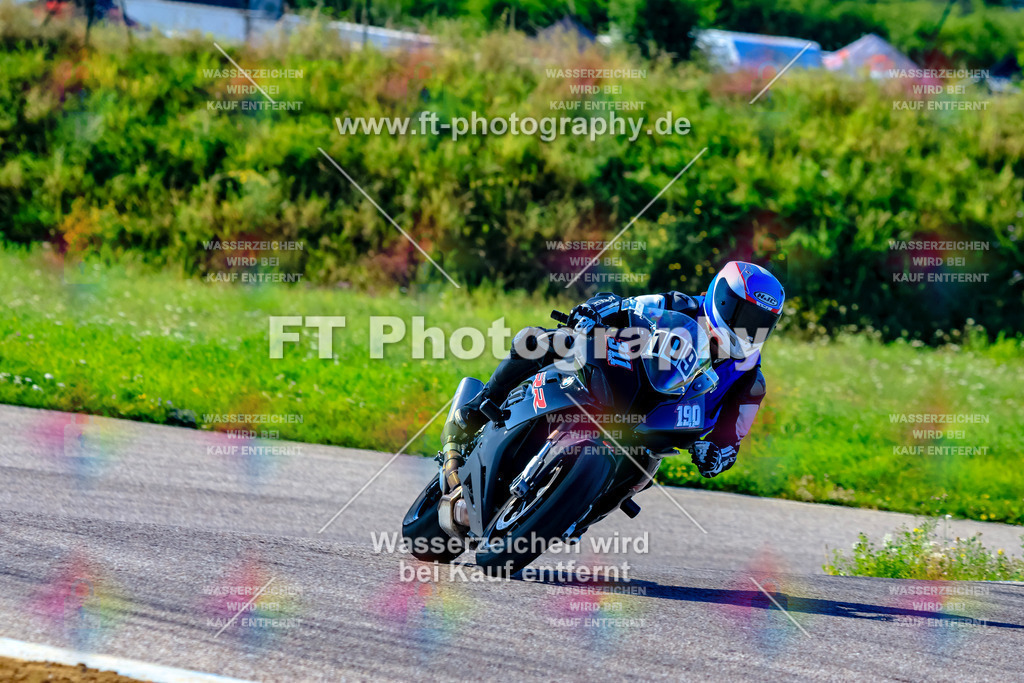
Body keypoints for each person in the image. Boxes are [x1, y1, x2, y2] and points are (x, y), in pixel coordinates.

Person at [440, 261, 785, 478]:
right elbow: (623, 306)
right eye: (744, 316)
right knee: (542, 339)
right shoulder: (680, 305)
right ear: (723, 298)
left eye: (760, 324)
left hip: (654, 432)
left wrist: (718, 454)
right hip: (623, 383)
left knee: (641, 475)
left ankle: (573, 516)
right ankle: (482, 404)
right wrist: (592, 313)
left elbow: (731, 440)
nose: (748, 330)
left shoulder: (750, 379)